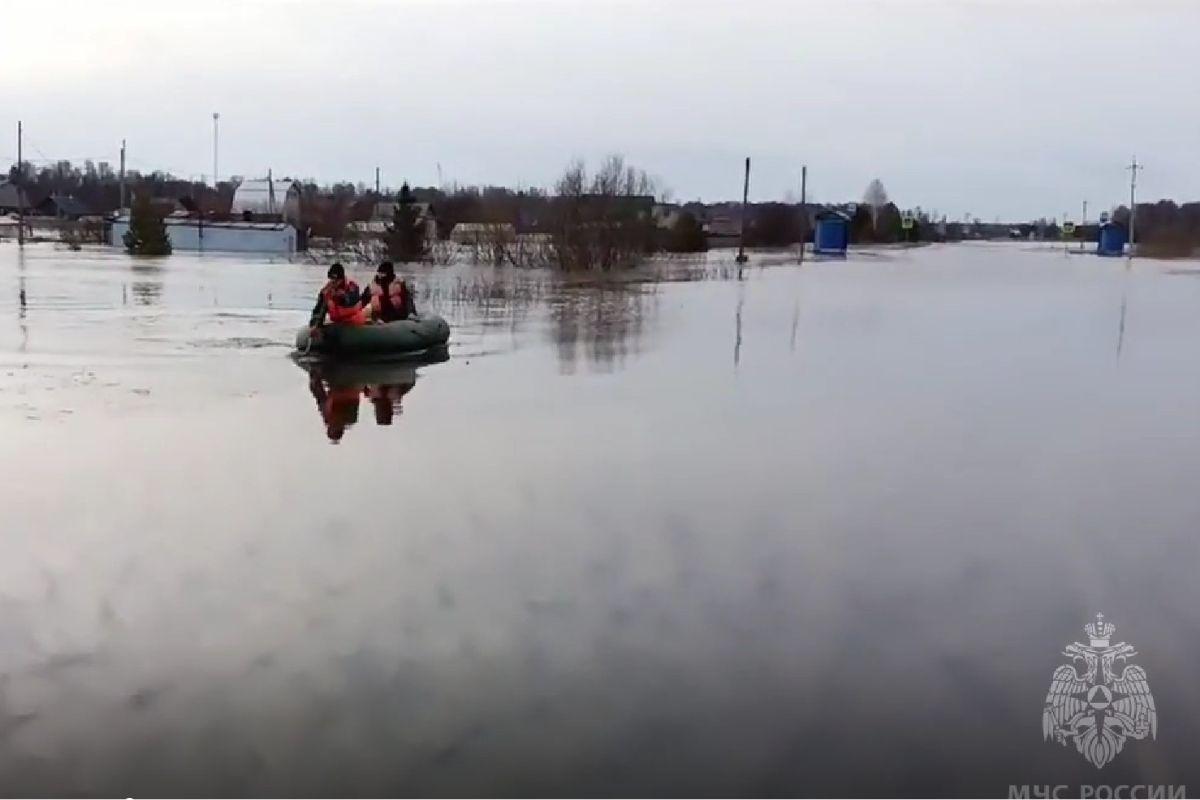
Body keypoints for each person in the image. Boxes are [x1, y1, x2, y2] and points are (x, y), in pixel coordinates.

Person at [310, 263, 368, 331]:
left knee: (358, 316)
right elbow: (318, 309)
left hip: (353, 320)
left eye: (336, 280)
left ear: (341, 279)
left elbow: (354, 301)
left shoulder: (352, 286)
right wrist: (315, 325)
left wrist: (343, 297)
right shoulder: (326, 291)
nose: (334, 282)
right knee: (326, 303)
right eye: (332, 279)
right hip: (337, 321)